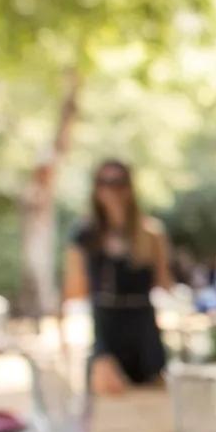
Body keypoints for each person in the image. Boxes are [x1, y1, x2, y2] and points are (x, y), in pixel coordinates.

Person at [64, 160, 170, 392]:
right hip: (106, 323)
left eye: (119, 183)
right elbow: (74, 291)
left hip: (143, 324)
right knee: (108, 396)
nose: (112, 190)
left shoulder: (151, 233)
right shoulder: (84, 234)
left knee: (153, 399)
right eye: (104, 183)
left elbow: (165, 283)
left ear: (130, 187)